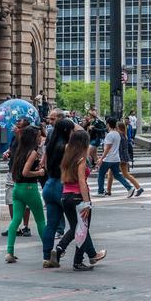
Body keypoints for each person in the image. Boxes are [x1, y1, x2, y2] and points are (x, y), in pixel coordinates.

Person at [56, 127, 107, 271]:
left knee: (75, 228)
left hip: (65, 196)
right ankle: (78, 261)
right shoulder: (81, 159)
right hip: (79, 197)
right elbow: (82, 181)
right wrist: (86, 203)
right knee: (82, 229)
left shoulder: (67, 157)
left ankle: (59, 249)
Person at [5, 124, 46, 263]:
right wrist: (39, 172)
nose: (41, 138)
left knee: (15, 220)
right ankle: (47, 251)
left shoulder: (20, 150)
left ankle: (9, 251)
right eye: (39, 135)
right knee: (40, 220)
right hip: (30, 189)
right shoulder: (32, 152)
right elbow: (25, 172)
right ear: (33, 137)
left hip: (18, 188)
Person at [42, 117, 75, 267]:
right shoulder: (67, 147)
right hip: (62, 186)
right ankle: (90, 254)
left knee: (51, 225)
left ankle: (47, 257)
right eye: (72, 130)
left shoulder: (50, 145)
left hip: (49, 184)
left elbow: (47, 167)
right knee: (78, 224)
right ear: (67, 131)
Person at [96, 116, 133, 196]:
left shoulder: (110, 135)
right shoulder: (117, 134)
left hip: (108, 159)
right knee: (117, 175)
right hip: (116, 158)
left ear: (108, 124)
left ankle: (100, 191)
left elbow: (107, 148)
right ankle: (129, 187)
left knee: (101, 174)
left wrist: (101, 158)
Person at [113, 119, 144, 197]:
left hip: (121, 158)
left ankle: (130, 188)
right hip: (125, 157)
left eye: (116, 126)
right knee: (125, 174)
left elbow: (119, 148)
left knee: (115, 174)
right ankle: (138, 187)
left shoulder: (119, 135)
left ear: (118, 127)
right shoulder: (124, 135)